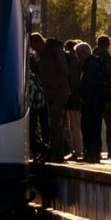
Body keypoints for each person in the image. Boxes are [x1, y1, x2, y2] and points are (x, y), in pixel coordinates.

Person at [30, 33, 70, 162]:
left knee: (54, 123)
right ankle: (57, 151)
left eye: (35, 47)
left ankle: (56, 153)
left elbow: (64, 70)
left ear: (38, 42)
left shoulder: (55, 51)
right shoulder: (44, 53)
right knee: (53, 123)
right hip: (50, 92)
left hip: (58, 92)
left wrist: (54, 84)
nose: (35, 50)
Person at [76, 42, 109, 163]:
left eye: (78, 55)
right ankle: (96, 152)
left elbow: (88, 84)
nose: (78, 58)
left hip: (90, 103)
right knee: (96, 127)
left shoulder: (89, 65)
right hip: (98, 101)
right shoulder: (98, 63)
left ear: (84, 53)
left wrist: (84, 98)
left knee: (87, 127)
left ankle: (90, 152)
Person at [63, 39, 83, 161]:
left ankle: (77, 150)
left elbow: (73, 81)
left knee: (74, 125)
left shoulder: (70, 60)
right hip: (79, 98)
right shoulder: (79, 61)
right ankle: (79, 149)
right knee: (77, 125)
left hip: (73, 99)